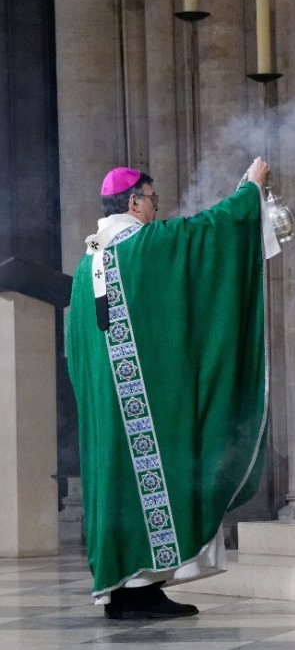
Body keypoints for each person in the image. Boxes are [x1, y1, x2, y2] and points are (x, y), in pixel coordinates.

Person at [66, 158, 278, 619]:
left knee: (118, 485)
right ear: (133, 201)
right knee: (156, 477)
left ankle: (130, 589)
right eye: (153, 199)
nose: (157, 209)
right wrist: (249, 192)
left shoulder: (90, 260)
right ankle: (140, 587)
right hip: (144, 407)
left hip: (108, 412)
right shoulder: (138, 246)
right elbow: (202, 235)